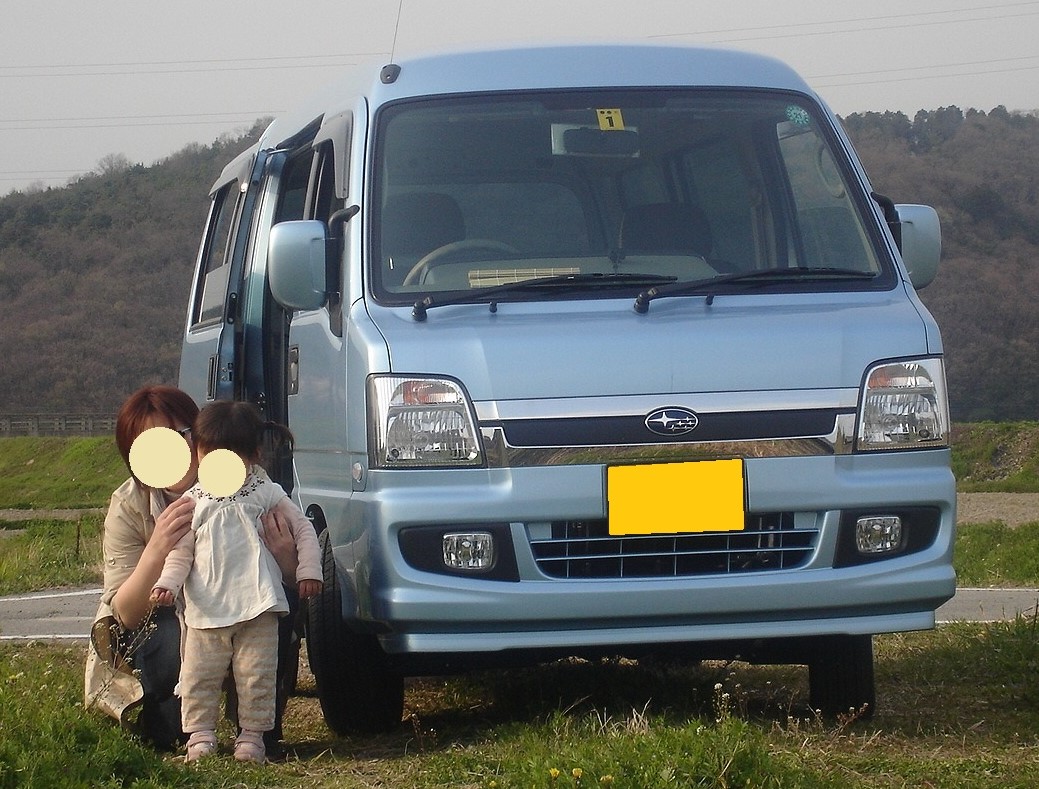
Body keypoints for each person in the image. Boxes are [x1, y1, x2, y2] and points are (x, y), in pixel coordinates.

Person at [84, 386, 302, 753]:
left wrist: (285, 558)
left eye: (178, 436)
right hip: (167, 617)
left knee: (275, 610)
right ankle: (181, 727)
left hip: (243, 606)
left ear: (199, 435)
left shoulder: (247, 482)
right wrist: (157, 550)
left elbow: (296, 579)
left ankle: (256, 729)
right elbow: (126, 614)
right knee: (167, 637)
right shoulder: (128, 504)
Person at [150, 400, 321, 763]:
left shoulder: (266, 492)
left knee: (256, 675)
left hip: (260, 606)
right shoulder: (194, 500)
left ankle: (253, 738)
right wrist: (168, 583)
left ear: (254, 455)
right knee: (198, 676)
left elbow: (304, 530)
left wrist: (308, 570)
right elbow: (181, 551)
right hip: (205, 608)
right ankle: (200, 736)